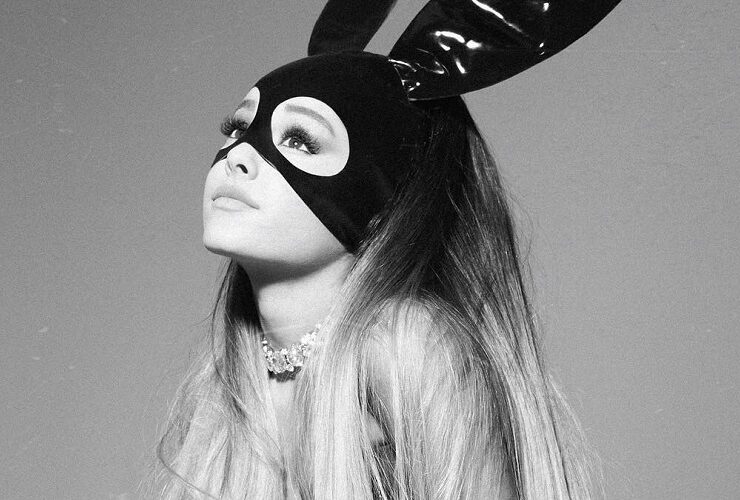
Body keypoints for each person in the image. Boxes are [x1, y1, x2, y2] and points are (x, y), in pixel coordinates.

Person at [153, 1, 621, 498]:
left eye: (301, 141)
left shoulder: (403, 343)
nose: (239, 156)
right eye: (238, 127)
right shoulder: (226, 380)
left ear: (380, 198)